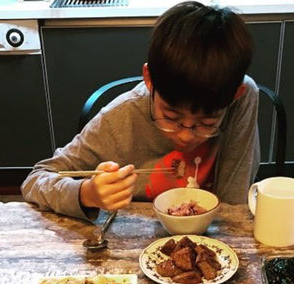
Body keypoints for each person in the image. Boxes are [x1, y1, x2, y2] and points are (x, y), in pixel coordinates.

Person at [21, 1, 259, 221]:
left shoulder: (241, 97)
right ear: (149, 79)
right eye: (171, 117)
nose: (186, 135)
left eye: (207, 123)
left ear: (234, 95)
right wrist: (86, 193)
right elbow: (36, 179)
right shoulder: (120, 118)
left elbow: (234, 205)